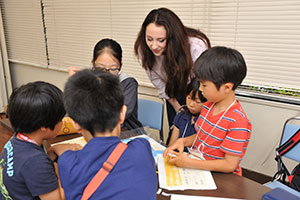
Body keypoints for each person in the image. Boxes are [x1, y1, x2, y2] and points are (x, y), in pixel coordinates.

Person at [58, 69, 157, 199]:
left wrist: (57, 150)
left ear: (75, 124)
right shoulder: (142, 148)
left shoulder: (67, 163)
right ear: (122, 114)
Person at [163, 46, 252, 176]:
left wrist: (189, 163)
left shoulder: (237, 121)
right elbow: (203, 136)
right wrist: (182, 141)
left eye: (204, 85)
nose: (200, 89)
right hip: (202, 168)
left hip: (223, 178)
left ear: (226, 87)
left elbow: (229, 164)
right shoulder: (208, 106)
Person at [134, 7, 210, 142]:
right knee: (174, 135)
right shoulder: (144, 49)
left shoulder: (195, 46)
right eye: (149, 38)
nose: (154, 46)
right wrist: (178, 109)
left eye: (161, 40)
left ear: (172, 38)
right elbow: (159, 82)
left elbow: (204, 83)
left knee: (198, 138)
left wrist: (194, 104)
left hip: (198, 94)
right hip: (172, 93)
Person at [0, 81, 81, 200]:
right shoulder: (35, 161)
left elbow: (27, 168)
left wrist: (52, 151)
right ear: (44, 127)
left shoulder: (17, 139)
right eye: (61, 118)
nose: (63, 121)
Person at [69, 38, 142, 130]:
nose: (107, 74)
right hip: (97, 131)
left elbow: (120, 115)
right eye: (101, 68)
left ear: (120, 65)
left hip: (127, 132)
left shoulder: (128, 84)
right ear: (93, 64)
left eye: (113, 69)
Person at [168, 78, 207, 147]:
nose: (191, 104)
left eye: (197, 102)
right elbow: (171, 144)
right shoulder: (181, 116)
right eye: (189, 98)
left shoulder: (207, 122)